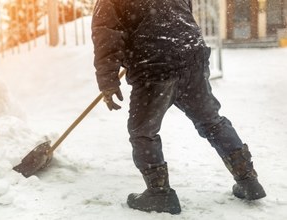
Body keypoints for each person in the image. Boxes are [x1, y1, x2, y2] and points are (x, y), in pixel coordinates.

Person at [91, 0, 266, 214]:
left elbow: (106, 36)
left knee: (143, 131)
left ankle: (159, 194)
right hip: (191, 56)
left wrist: (108, 82)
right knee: (212, 121)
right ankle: (248, 180)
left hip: (154, 67)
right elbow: (183, 11)